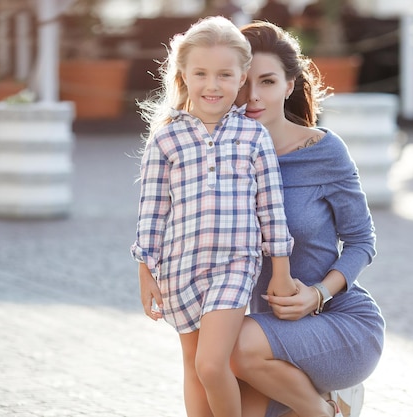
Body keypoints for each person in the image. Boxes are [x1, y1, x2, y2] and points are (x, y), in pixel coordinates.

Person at [130, 16, 297, 417]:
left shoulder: (253, 136)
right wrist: (146, 272)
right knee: (192, 366)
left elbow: (271, 209)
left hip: (234, 265)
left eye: (225, 74)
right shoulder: (166, 137)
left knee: (211, 363)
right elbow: (152, 210)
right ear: (184, 75)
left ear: (242, 78)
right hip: (179, 266)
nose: (212, 85)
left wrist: (280, 269)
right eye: (201, 73)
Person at [231, 21, 386, 417]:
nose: (252, 96)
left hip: (339, 323)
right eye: (243, 82)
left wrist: (318, 293)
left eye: (266, 82)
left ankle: (327, 411)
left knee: (235, 348)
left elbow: (362, 241)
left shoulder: (323, 150)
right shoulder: (222, 156)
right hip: (263, 331)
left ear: (289, 85)